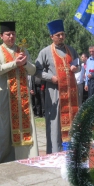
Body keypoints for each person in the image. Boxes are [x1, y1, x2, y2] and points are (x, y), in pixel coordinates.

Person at [0, 21, 38, 163]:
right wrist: (14, 64)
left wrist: (25, 63)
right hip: (6, 95)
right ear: (1, 36)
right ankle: (3, 158)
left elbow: (33, 70)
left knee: (26, 126)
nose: (11, 36)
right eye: (8, 34)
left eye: (13, 34)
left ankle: (27, 156)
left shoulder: (22, 50)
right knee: (4, 128)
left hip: (22, 96)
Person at [35, 19, 79, 154]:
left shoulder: (71, 50)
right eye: (58, 35)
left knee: (73, 121)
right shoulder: (45, 52)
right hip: (54, 93)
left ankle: (72, 151)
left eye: (63, 34)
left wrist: (76, 68)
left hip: (71, 94)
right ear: (51, 36)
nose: (61, 37)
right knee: (55, 123)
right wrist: (50, 77)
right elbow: (37, 71)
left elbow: (78, 64)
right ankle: (54, 152)